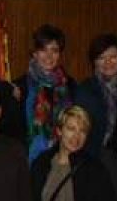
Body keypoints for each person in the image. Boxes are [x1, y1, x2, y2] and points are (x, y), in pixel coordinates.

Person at [14, 24, 76, 165]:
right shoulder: (19, 86)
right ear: (34, 53)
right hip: (27, 160)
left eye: (54, 50)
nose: (49, 56)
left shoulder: (70, 85)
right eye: (43, 49)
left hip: (63, 159)